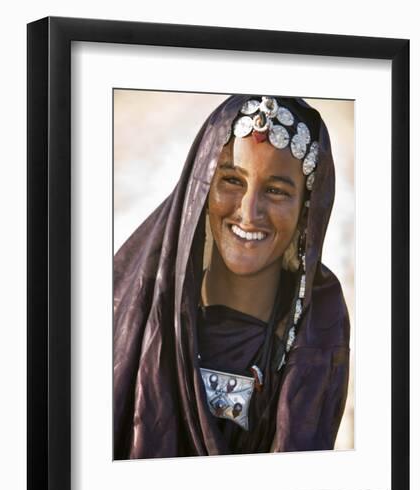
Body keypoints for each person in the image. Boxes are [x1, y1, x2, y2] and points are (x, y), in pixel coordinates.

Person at [113, 94, 350, 459]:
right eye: (232, 181)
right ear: (201, 189)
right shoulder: (132, 310)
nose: (248, 211)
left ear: (307, 209)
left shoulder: (318, 321)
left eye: (275, 190)